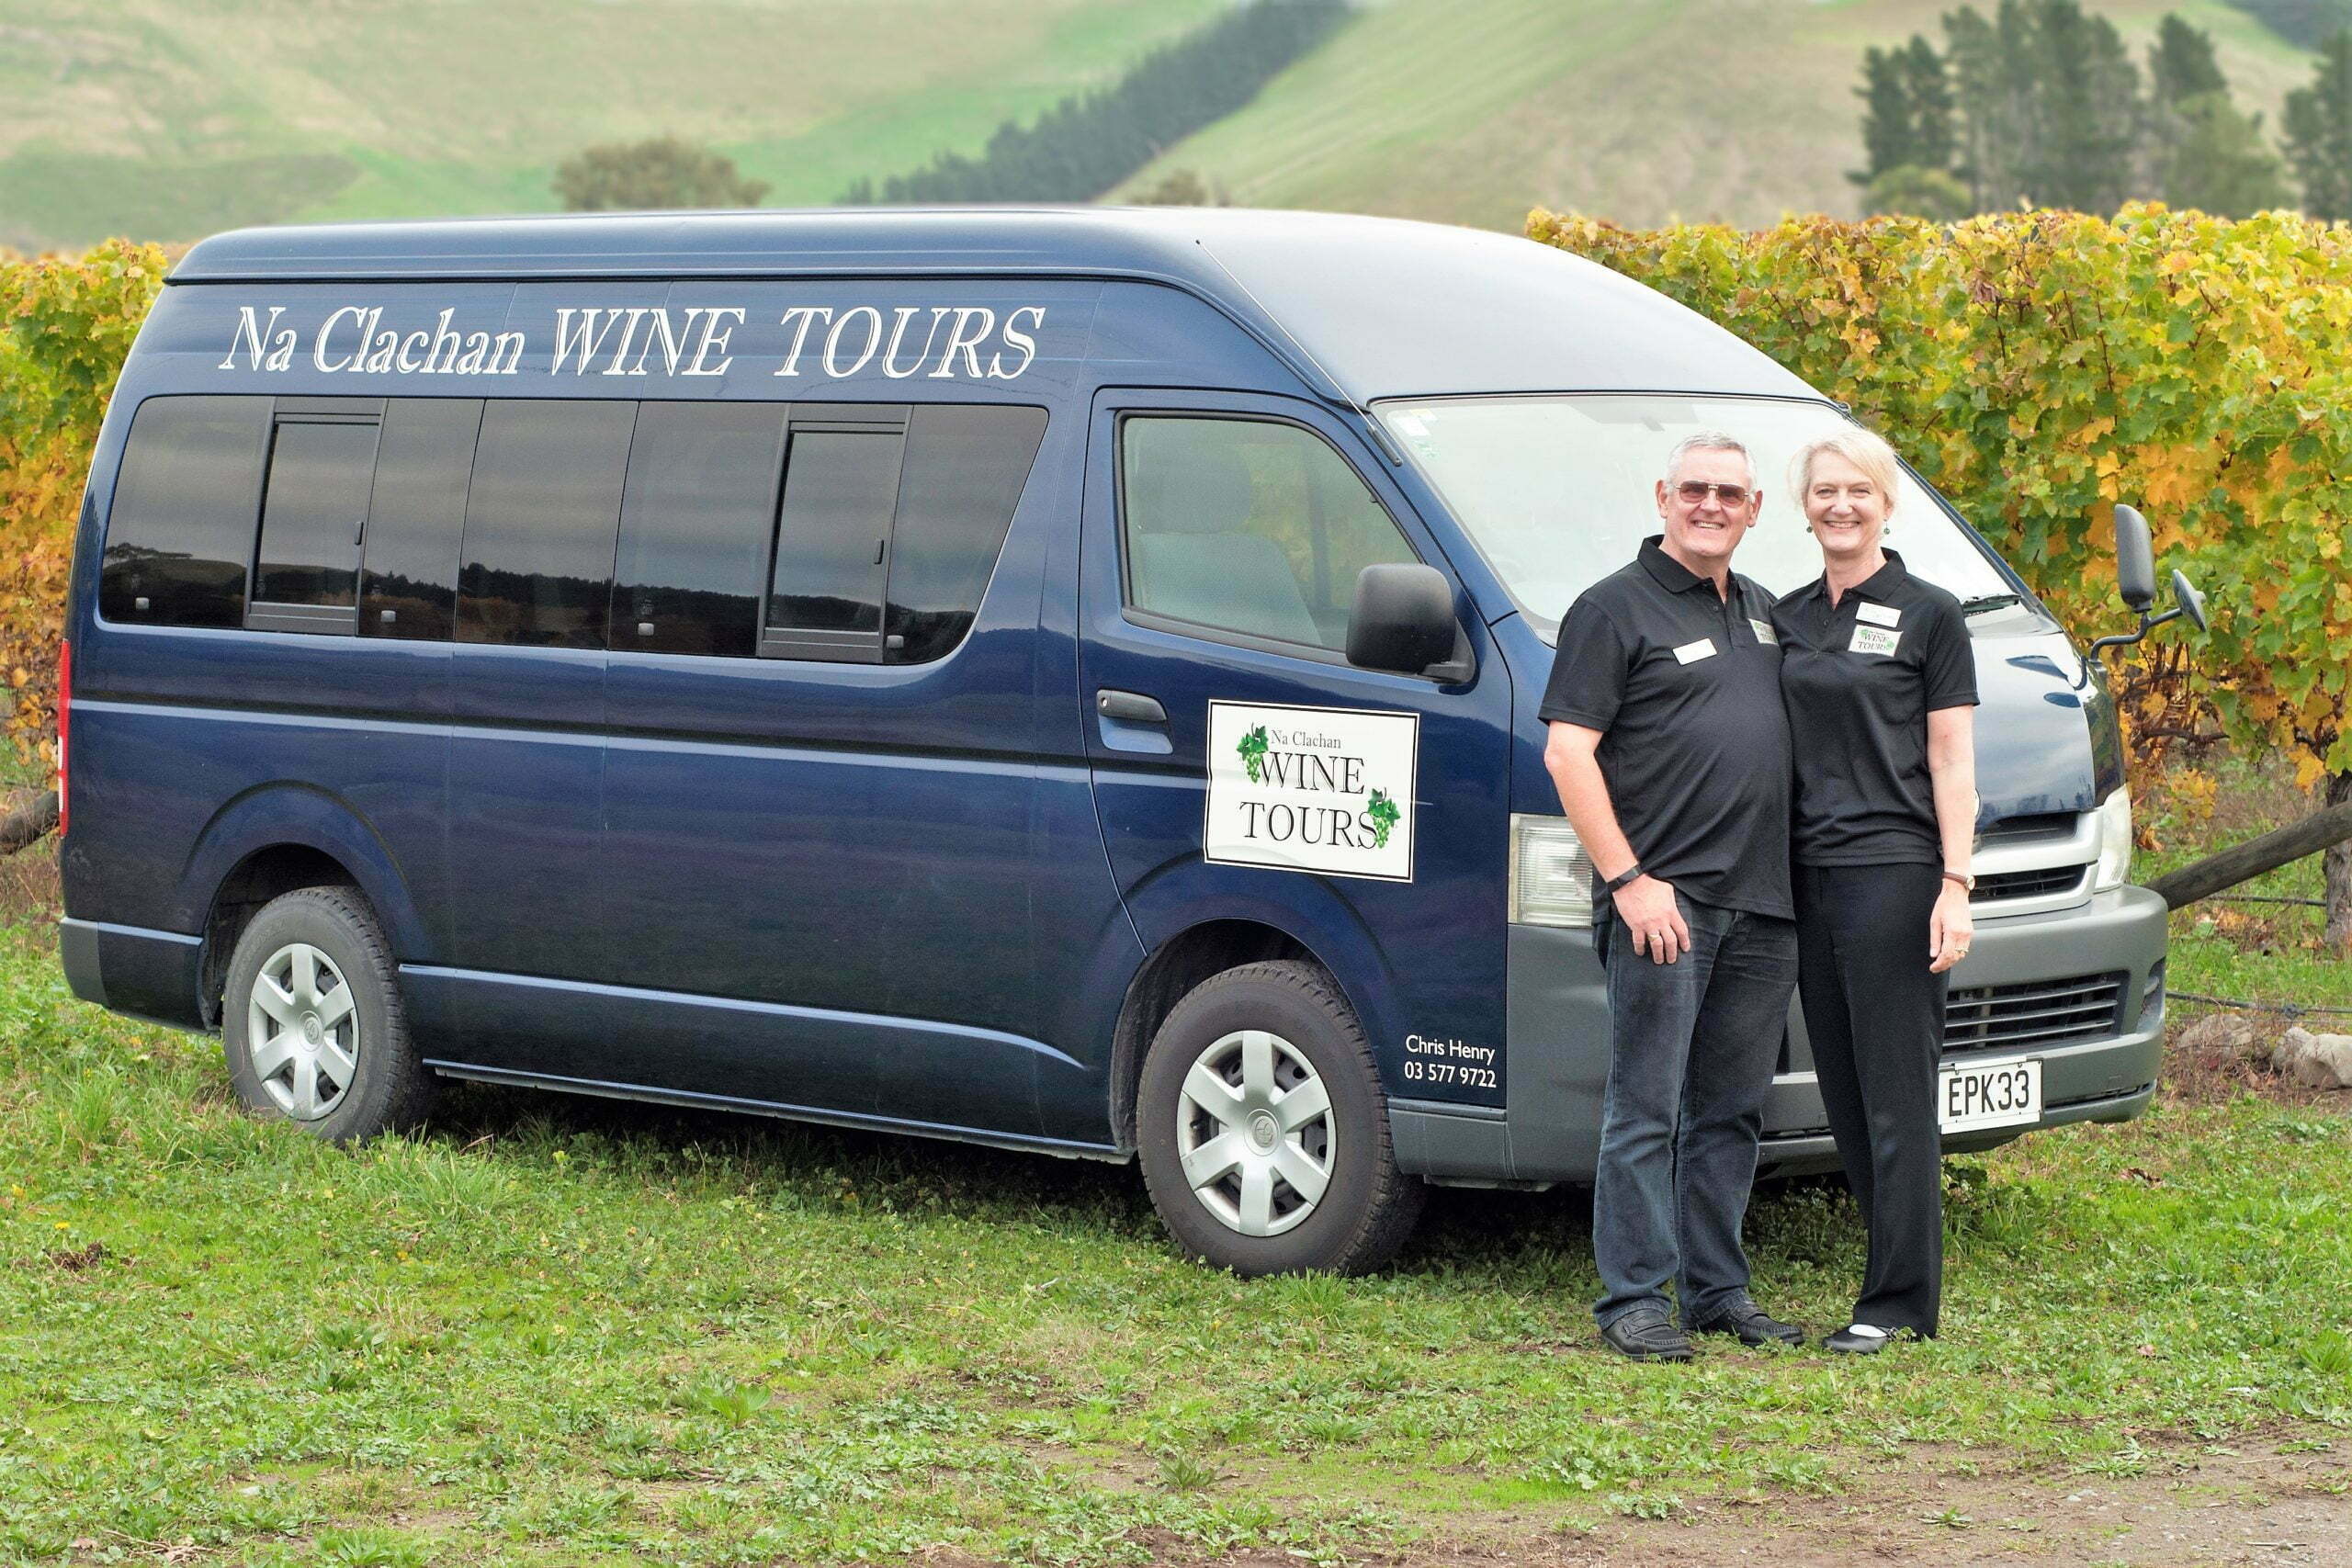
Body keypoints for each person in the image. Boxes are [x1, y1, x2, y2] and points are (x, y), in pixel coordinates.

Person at [1541, 432, 1804, 1361]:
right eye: (1694, 489)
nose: (1710, 505)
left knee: (1730, 1110)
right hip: (1665, 903)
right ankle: (1633, 1301)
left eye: (1729, 493)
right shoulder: (1611, 610)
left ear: (1754, 509)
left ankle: (1717, 1292)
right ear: (1661, 497)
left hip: (1765, 906)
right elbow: (1568, 753)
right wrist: (1627, 882)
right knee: (1645, 1107)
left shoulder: (1768, 614)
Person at [1769, 428, 1978, 1354]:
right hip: (1804, 879)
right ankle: (1883, 1284)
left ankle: (1896, 1306)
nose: (1840, 505)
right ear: (1803, 506)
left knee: (1895, 1095)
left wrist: (1955, 883)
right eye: (1824, 491)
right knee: (1847, 1098)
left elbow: (1951, 758)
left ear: (1887, 503)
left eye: (1857, 489)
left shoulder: (1931, 615)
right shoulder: (1788, 616)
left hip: (1892, 876)